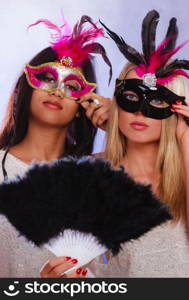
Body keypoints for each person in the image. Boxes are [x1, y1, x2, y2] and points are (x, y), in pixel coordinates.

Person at [95, 10, 189, 277]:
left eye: (156, 102)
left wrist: (188, 145)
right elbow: (85, 263)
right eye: (131, 97)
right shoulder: (94, 174)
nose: (140, 112)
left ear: (178, 109)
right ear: (118, 101)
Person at [0, 14, 112, 278]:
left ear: (82, 105)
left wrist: (117, 125)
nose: (57, 91)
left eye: (72, 86)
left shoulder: (101, 173)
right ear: (24, 90)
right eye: (48, 78)